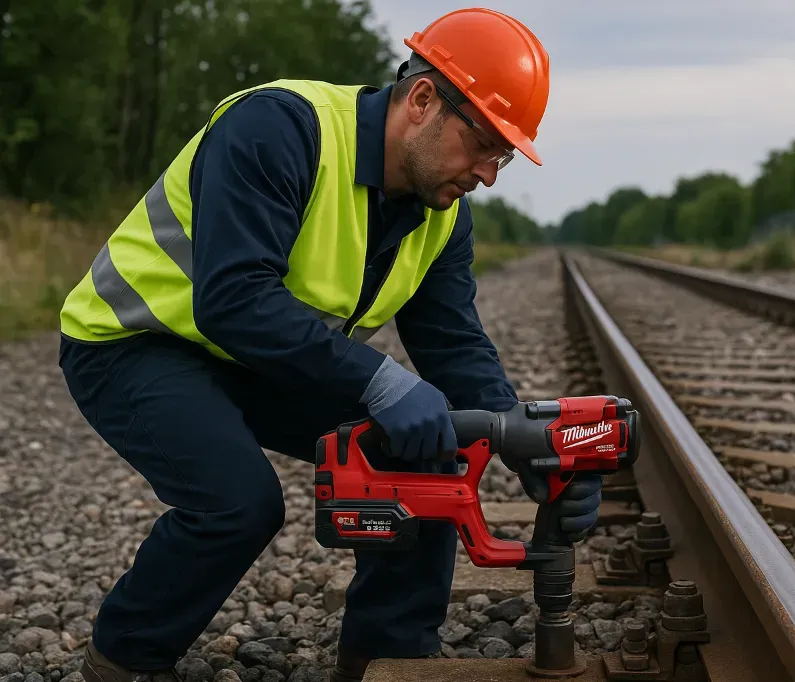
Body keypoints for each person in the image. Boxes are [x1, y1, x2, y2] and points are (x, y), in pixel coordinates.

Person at [56, 7, 603, 682]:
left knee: (427, 455)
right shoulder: (278, 129)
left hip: (261, 361)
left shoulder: (442, 215)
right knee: (239, 502)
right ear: (422, 100)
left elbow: (454, 344)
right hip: (136, 342)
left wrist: (525, 444)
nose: (488, 173)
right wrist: (380, 381)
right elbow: (234, 299)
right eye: (484, 143)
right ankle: (124, 660)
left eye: (504, 157)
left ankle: (388, 661)